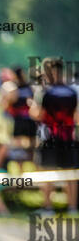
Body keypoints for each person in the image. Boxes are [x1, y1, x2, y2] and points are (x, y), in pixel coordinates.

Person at [31, 58, 78, 212]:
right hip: (68, 137)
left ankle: (48, 207)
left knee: (47, 171)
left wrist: (32, 105)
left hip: (48, 137)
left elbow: (37, 114)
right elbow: (77, 117)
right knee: (70, 173)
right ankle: (72, 207)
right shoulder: (73, 90)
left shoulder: (44, 91)